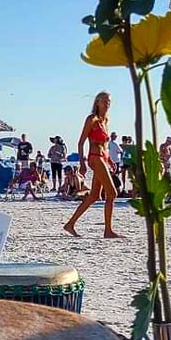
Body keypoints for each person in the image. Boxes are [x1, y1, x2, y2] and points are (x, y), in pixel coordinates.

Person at [64, 92, 121, 238]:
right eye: (104, 101)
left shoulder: (105, 120)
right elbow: (81, 141)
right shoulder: (92, 119)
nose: (107, 103)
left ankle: (70, 224)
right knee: (112, 193)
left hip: (103, 157)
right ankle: (108, 230)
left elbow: (105, 145)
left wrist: (110, 160)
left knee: (94, 195)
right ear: (97, 102)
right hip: (95, 158)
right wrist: (82, 163)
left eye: (109, 101)